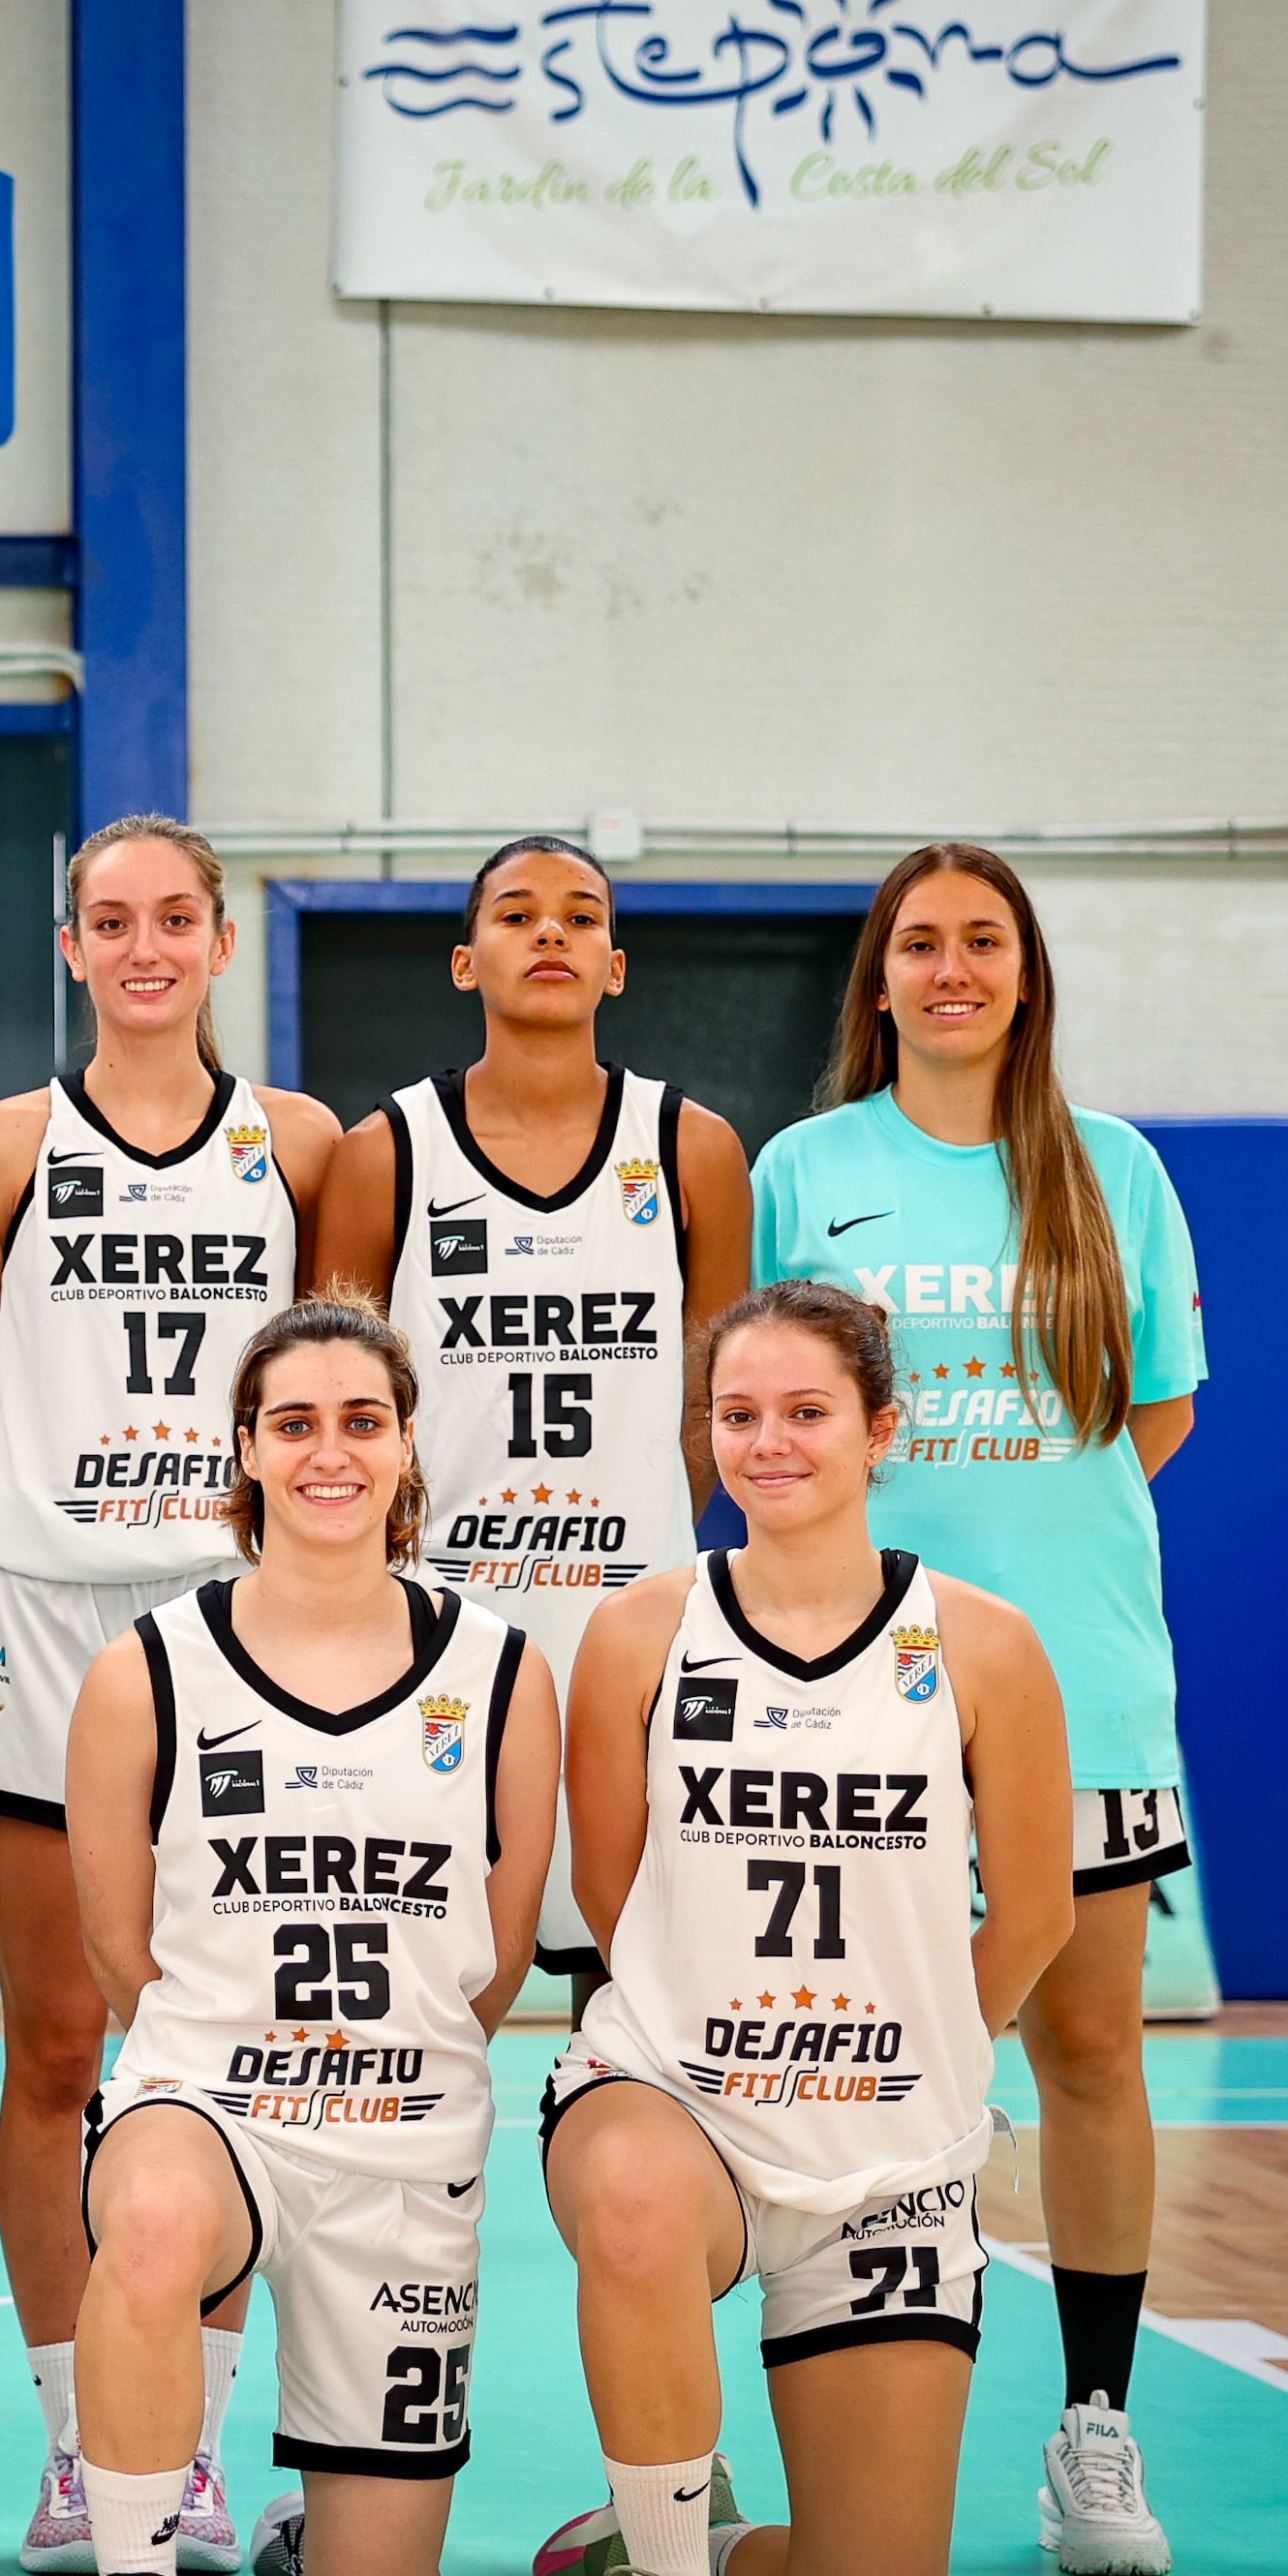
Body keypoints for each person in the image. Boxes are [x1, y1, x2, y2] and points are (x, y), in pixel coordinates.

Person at [528, 1281, 1072, 2576]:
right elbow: (611, 1887)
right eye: (738, 1414)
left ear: (882, 1430)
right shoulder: (642, 1631)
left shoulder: (988, 1648)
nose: (769, 1442)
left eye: (806, 1411)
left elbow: (1031, 1916)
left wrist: (913, 2057)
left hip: (886, 2164)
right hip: (677, 2104)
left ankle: (678, 2532)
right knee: (634, 2198)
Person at [749, 844, 1201, 2576]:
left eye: (983, 943)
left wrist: (1019, 1538)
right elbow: (777, 1414)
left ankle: (1093, 2423)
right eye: (920, 943)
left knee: (1086, 2052)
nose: (952, 969)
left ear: (1027, 975)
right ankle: (803, 2447)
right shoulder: (810, 1168)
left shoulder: (1118, 1171)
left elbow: (1146, 1415)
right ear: (876, 980)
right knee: (838, 2073)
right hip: (857, 1685)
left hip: (1080, 1676)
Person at [56, 1299, 554, 2576]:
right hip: (209, 2101)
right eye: (294, 1422)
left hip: (404, 2141)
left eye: (361, 1420)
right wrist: (243, 2052)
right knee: (147, 2223)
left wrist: (374, 2060)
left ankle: (320, 2519)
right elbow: (118, 1951)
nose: (328, 1451)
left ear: (405, 1447)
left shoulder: (501, 1671)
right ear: (246, 1450)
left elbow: (496, 1956)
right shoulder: (146, 1666)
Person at [0, 814, 337, 2576]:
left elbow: (333, 1395)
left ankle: (183, 2447)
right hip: (44, 1618)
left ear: (223, 940)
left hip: (237, 1628)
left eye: (178, 916)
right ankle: (62, 2438)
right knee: (55, 2048)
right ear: (73, 943)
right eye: (113, 919)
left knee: (233, 2048)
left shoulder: (302, 1146)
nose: (147, 944)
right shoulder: (2, 1147)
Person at [319, 833, 749, 2013]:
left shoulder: (691, 1150)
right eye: (515, 915)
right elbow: (337, 1414)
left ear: (616, 966)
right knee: (431, 1996)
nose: (549, 933)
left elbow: (715, 1406)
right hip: (446, 1630)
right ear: (465, 964)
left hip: (632, 1627)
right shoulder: (383, 1153)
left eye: (579, 916)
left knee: (639, 2005)